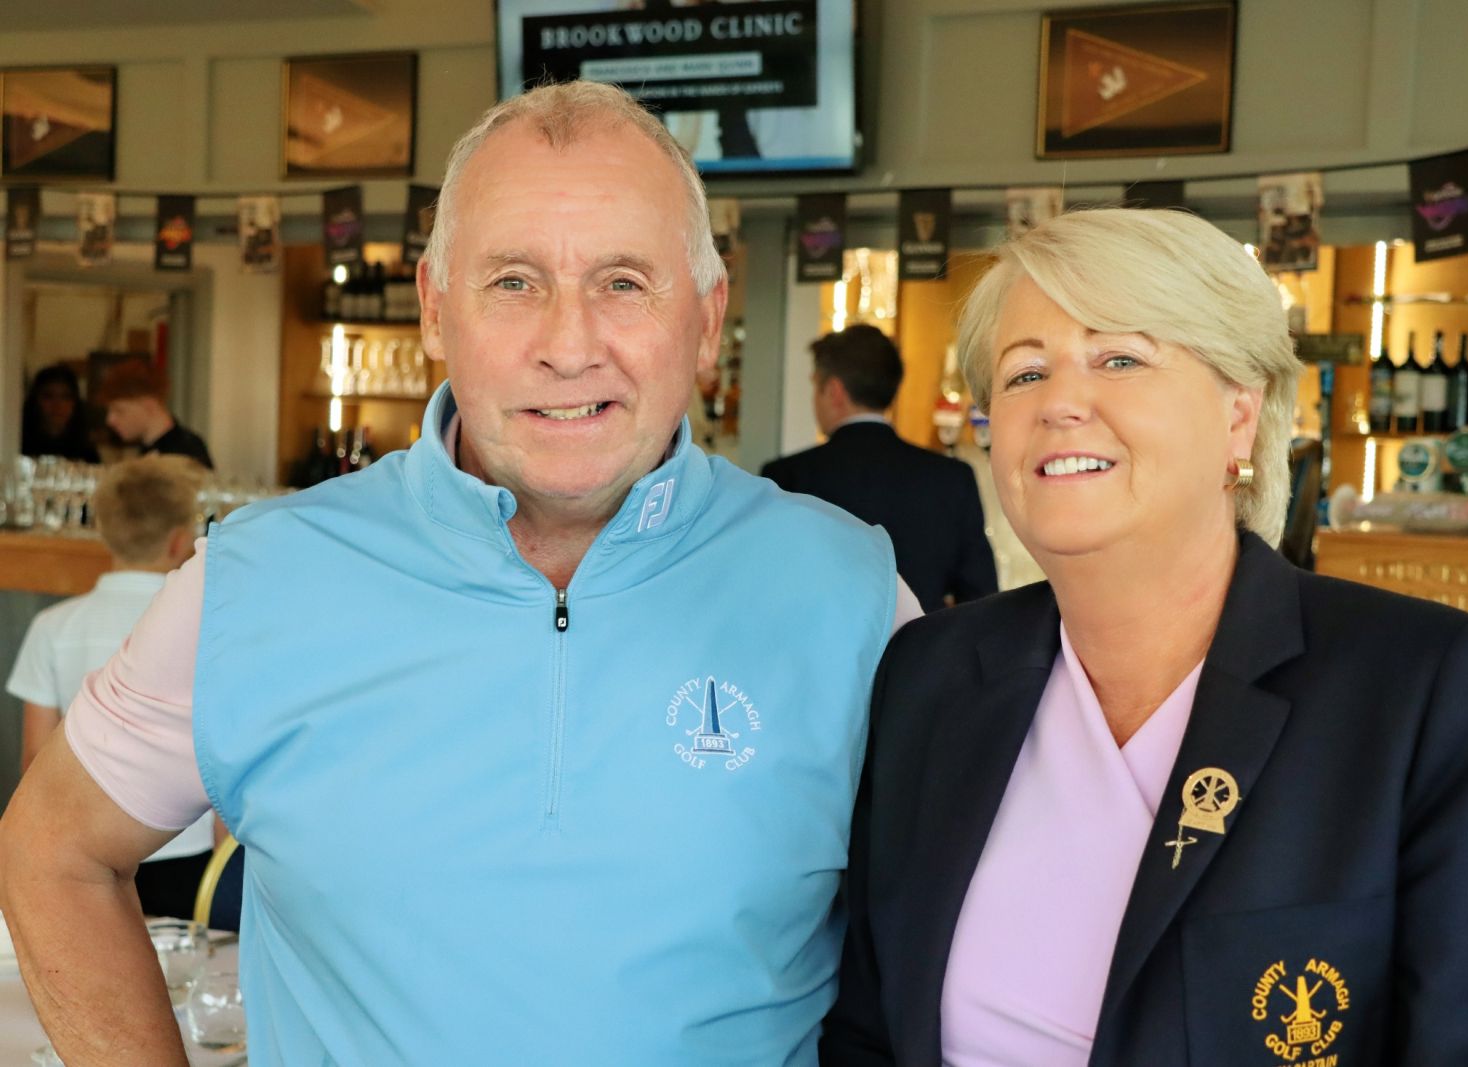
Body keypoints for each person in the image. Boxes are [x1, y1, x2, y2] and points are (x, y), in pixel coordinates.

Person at [0, 81, 913, 1066]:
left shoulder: (852, 592)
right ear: (435, 310)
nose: (569, 346)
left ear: (705, 316)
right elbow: (52, 850)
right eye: (514, 281)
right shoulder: (254, 579)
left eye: (623, 282)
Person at [820, 208, 1468, 1065]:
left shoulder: (1426, 690)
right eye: (1025, 372)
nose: (1059, 402)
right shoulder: (931, 675)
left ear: (1239, 417)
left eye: (1120, 358)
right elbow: (866, 1030)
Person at [5, 454, 217, 920]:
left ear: (103, 530)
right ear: (180, 540)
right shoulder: (208, 624)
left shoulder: (54, 625)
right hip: (187, 847)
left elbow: (35, 758)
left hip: (87, 850)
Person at [762, 325, 998, 613]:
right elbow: (981, 600)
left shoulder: (787, 477)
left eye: (815, 386)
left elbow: (770, 590)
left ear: (834, 391)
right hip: (925, 641)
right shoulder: (951, 478)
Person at [99, 360, 213, 468]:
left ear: (149, 405)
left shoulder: (184, 454)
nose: (110, 420)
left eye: (119, 410)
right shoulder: (151, 449)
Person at [20, 362, 99, 463]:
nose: (57, 404)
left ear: (75, 403)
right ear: (35, 401)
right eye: (48, 396)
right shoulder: (18, 443)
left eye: (65, 397)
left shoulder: (86, 451)